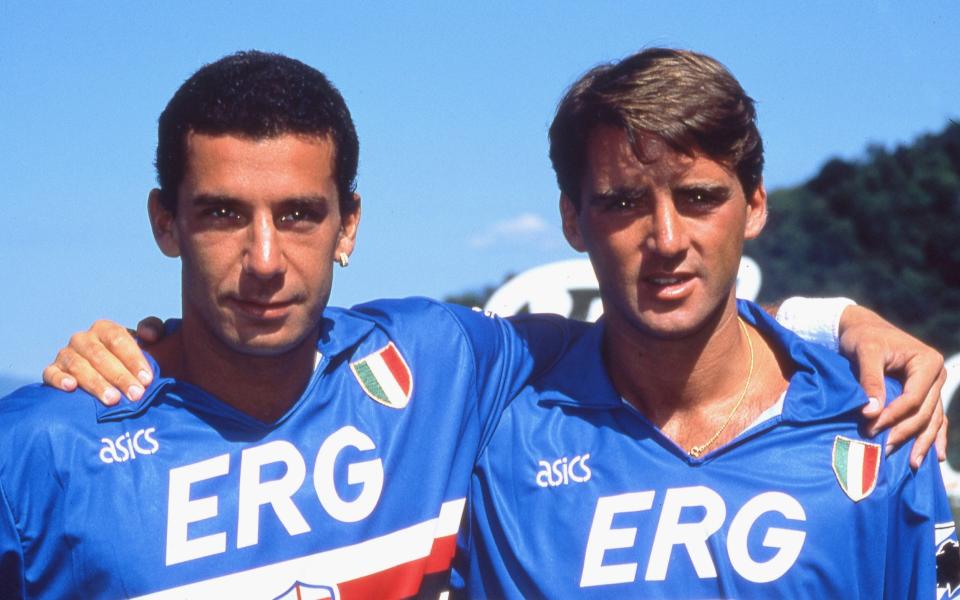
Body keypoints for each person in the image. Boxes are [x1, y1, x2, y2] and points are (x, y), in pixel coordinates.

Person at [28, 50, 947, 597]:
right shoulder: (496, 400)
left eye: (300, 215)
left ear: (348, 224)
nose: (264, 258)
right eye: (224, 214)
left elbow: (678, 314)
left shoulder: (879, 429)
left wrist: (835, 320)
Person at [452, 48, 959, 598]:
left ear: (756, 205)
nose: (667, 240)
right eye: (623, 203)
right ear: (573, 220)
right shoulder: (493, 437)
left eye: (699, 197)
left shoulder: (881, 420)